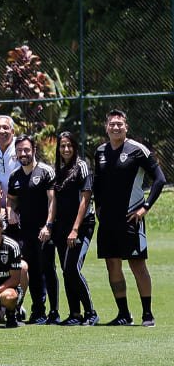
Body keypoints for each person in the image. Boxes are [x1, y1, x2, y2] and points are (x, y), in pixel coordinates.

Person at [89, 109, 165, 326]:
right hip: (108, 221)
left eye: (119, 124)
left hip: (131, 218)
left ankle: (147, 314)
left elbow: (159, 179)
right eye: (112, 124)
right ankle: (123, 314)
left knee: (137, 265)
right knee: (112, 265)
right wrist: (98, 206)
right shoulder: (100, 151)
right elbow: (98, 183)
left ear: (126, 127)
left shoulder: (137, 150)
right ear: (106, 128)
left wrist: (145, 208)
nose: (115, 127)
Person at [6, 135, 59, 324]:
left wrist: (48, 225)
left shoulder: (45, 171)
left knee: (48, 270)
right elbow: (11, 200)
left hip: (44, 231)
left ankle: (54, 312)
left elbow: (52, 200)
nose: (23, 153)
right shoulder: (15, 176)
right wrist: (10, 211)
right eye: (19, 150)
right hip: (25, 232)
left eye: (26, 150)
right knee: (33, 271)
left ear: (34, 150)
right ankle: (38, 311)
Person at [50, 131, 97, 326]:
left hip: (81, 227)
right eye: (62, 146)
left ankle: (91, 313)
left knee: (72, 269)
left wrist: (75, 229)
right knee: (66, 270)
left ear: (75, 147)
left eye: (69, 145)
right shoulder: (58, 170)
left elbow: (85, 200)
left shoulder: (82, 166)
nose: (66, 149)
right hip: (62, 227)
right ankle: (75, 314)